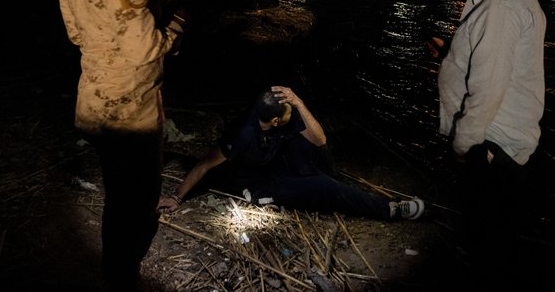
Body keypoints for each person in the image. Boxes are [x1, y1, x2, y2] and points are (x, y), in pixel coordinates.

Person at [55, 0, 187, 290]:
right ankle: (120, 274)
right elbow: (145, 48)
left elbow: (76, 34)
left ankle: (117, 262)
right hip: (130, 112)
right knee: (133, 202)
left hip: (93, 101)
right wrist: (177, 29)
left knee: (118, 191)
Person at [434, 0, 546, 290]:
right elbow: (497, 64)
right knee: (498, 240)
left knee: (488, 248)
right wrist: (452, 55)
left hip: (491, 149)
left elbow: (488, 90)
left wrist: (462, 146)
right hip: (499, 146)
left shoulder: (499, 10)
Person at [157, 86, 425, 221]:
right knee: (322, 185)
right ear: (274, 121)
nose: (292, 114)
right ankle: (390, 211)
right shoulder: (243, 134)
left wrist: (299, 102)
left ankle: (327, 184)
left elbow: (319, 139)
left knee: (315, 151)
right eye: (289, 112)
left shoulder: (274, 118)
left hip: (275, 161)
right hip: (260, 184)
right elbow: (204, 165)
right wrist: (177, 197)